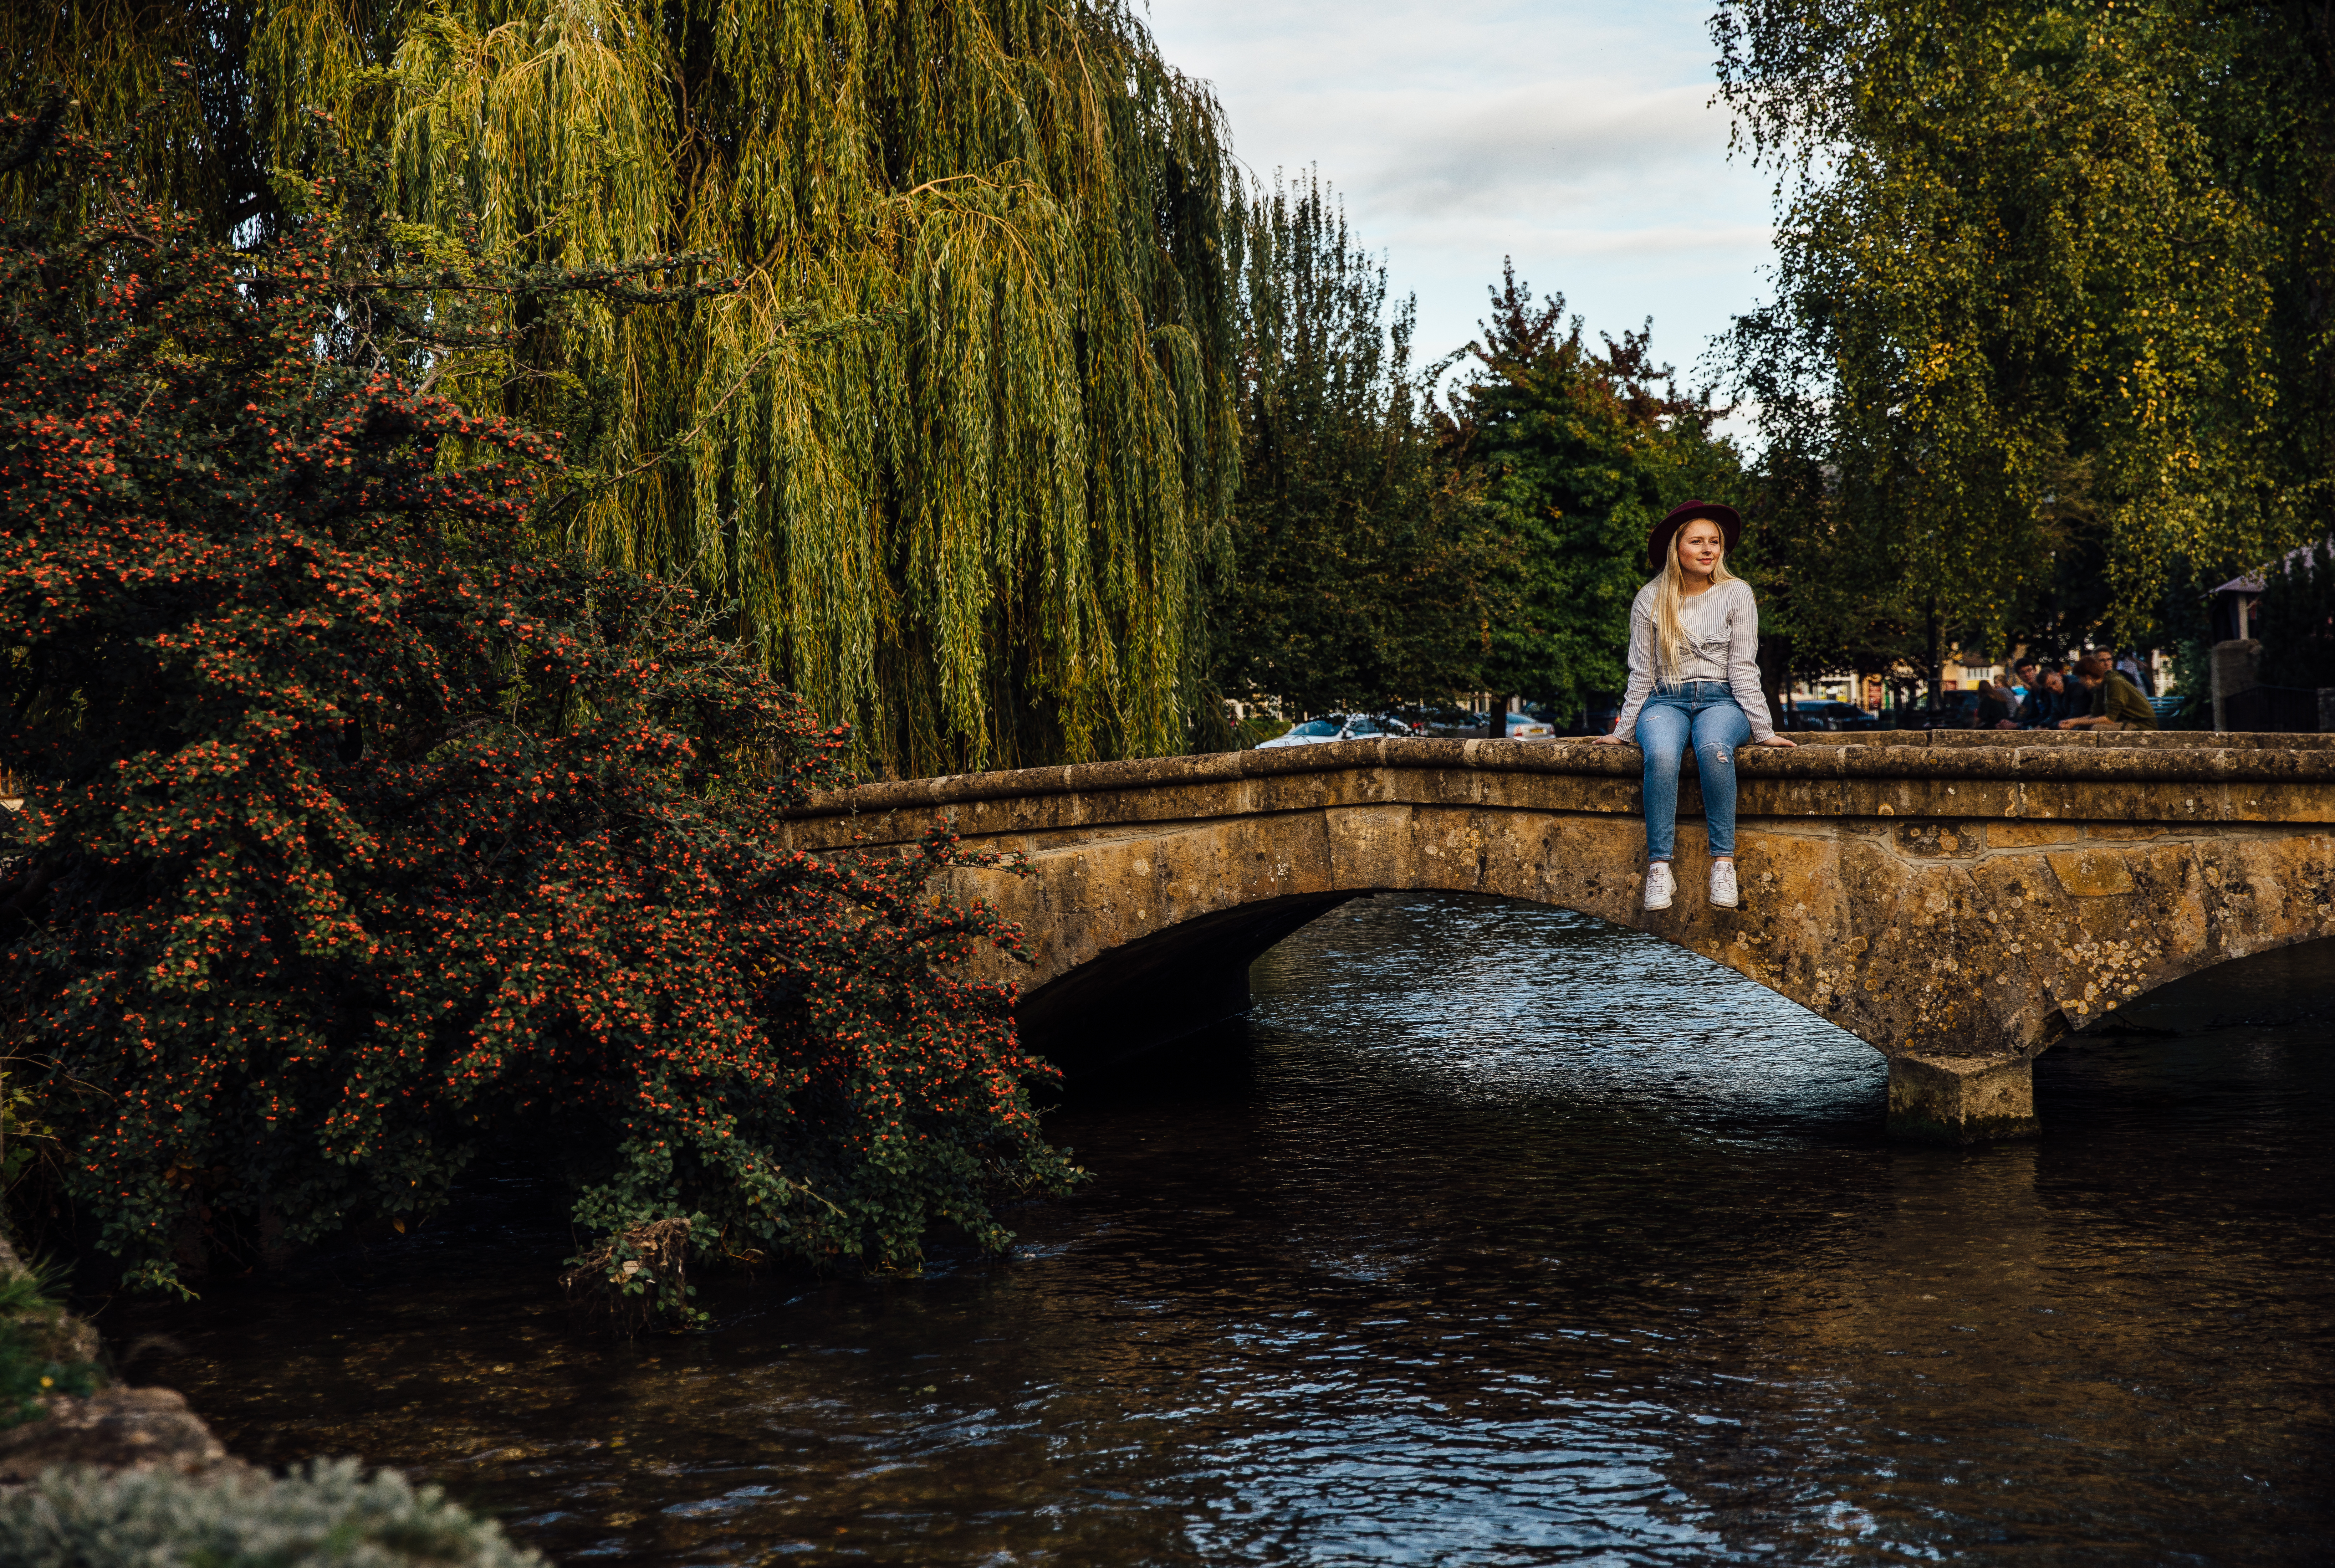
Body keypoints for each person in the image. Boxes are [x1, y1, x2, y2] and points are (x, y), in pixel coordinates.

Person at [1593, 499, 1796, 911]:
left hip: (1721, 701)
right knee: (1663, 755)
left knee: (1714, 752)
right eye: (1697, 542)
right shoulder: (1650, 598)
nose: (1708, 550)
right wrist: (1622, 732)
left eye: (1714, 542)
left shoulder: (1736, 593)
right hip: (1664, 699)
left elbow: (1742, 667)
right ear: (1676, 549)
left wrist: (1764, 731)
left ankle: (1722, 864)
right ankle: (1659, 869)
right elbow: (1641, 673)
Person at [2060, 650, 2157, 731]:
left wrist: (2076, 722)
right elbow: (2095, 715)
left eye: (2080, 678)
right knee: (2081, 728)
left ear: (2088, 677)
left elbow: (2109, 719)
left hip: (2142, 725)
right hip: (2128, 722)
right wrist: (2073, 721)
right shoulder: (2099, 688)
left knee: (2097, 728)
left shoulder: (2115, 683)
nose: (2080, 682)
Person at [2002, 666, 2073, 729]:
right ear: (2019, 676)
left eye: (2029, 670)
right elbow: (2032, 715)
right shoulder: (2032, 694)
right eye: (2023, 673)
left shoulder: (2048, 689)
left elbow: (2049, 715)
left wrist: (2017, 725)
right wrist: (2013, 723)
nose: (2027, 675)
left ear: (2035, 670)